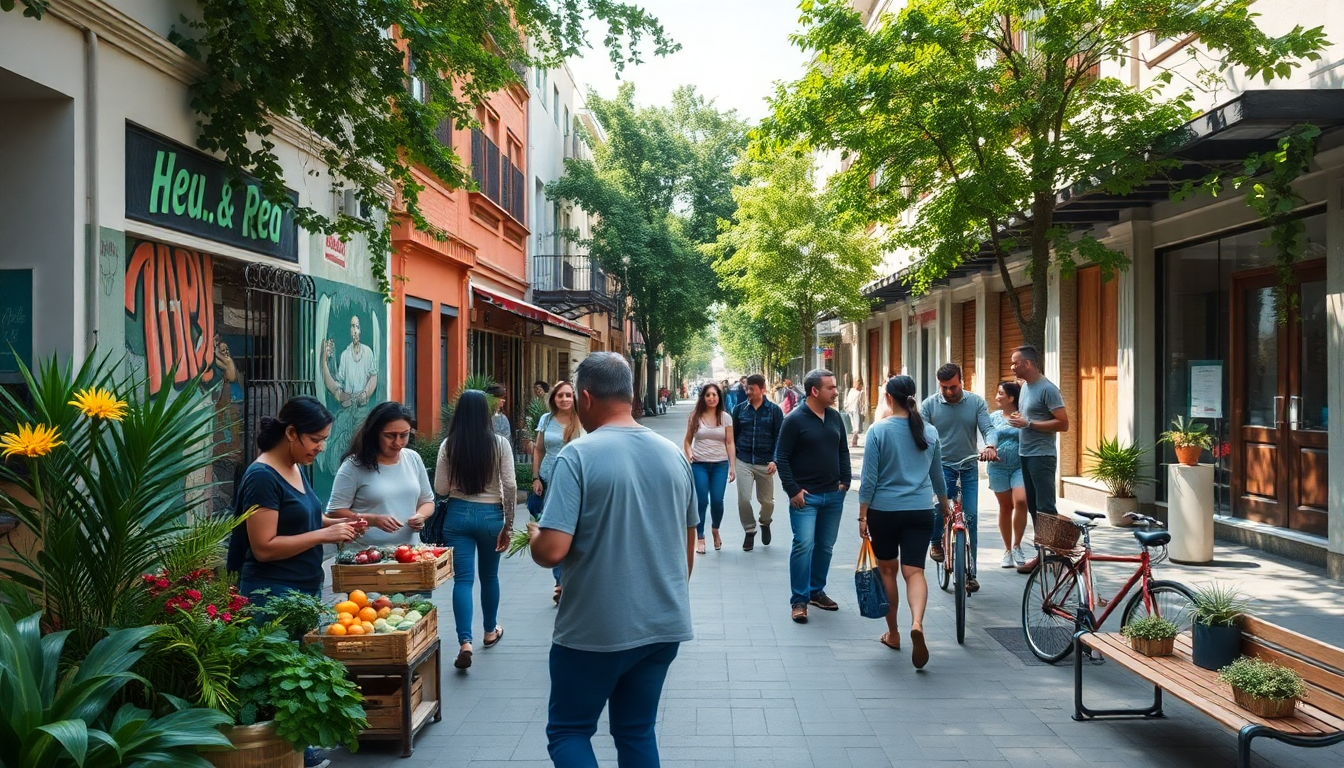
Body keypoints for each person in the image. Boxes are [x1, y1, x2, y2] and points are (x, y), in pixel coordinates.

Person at [526, 352, 697, 768]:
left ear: (585, 397)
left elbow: (552, 551)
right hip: (662, 623)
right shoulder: (673, 454)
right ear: (632, 394)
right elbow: (687, 548)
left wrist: (534, 535)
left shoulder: (578, 456)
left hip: (595, 628)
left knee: (569, 731)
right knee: (636, 730)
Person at [226, 395, 359, 768]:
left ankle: (298, 751)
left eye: (324, 439)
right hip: (271, 594)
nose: (321, 447)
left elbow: (305, 520)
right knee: (275, 679)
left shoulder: (296, 466)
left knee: (295, 673)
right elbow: (264, 546)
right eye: (316, 438)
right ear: (291, 433)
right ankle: (282, 754)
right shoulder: (261, 476)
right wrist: (324, 537)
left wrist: (346, 524)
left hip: (303, 588)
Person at [414, 390, 516, 670]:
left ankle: (465, 642)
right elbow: (509, 485)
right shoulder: (500, 445)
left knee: (463, 581)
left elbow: (441, 489)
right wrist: (508, 525)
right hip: (490, 516)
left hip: (457, 517)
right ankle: (489, 631)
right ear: (486, 413)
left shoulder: (450, 445)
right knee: (490, 576)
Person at [859, 375, 950, 670]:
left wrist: (862, 514)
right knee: (915, 571)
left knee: (888, 571)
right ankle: (918, 624)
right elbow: (938, 476)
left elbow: (869, 479)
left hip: (884, 511)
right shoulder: (930, 431)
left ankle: (895, 634)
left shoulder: (878, 431)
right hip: (921, 511)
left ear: (888, 397)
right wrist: (945, 507)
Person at [775, 368, 851, 624]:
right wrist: (792, 490)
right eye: (831, 387)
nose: (836, 391)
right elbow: (781, 457)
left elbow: (843, 450)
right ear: (814, 391)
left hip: (833, 495)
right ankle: (799, 600)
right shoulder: (794, 420)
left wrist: (846, 481)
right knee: (803, 545)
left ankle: (816, 591)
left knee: (825, 546)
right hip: (805, 499)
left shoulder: (834, 417)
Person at [920, 363, 998, 593]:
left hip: (968, 466)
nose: (948, 392)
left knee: (971, 516)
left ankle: (971, 572)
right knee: (940, 507)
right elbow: (920, 434)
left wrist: (991, 446)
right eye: (944, 387)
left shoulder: (975, 402)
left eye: (953, 387)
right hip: (941, 466)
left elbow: (988, 428)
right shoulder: (929, 405)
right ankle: (935, 540)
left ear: (962, 381)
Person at [326, 401, 434, 547]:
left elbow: (427, 501)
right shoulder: (353, 465)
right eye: (390, 436)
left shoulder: (413, 458)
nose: (398, 442)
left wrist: (420, 516)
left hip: (410, 552)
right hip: (365, 555)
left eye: (404, 435)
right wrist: (372, 520)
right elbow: (334, 512)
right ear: (374, 433)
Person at [1007, 344, 1069, 574]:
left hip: (1042, 456)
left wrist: (1030, 424)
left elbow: (1063, 423)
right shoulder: (1024, 388)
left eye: (1015, 363)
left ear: (1028, 364)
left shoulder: (1047, 389)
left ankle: (1053, 555)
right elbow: (1028, 418)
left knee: (1045, 507)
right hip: (1026, 453)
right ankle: (1043, 554)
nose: (1012, 367)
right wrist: (1019, 419)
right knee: (1033, 506)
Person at [531, 380, 585, 603]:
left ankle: (573, 578)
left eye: (568, 395)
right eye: (560, 396)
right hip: (549, 481)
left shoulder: (582, 420)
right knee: (554, 529)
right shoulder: (546, 420)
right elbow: (539, 449)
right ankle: (560, 581)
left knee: (576, 530)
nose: (564, 399)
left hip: (576, 482)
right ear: (553, 398)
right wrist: (535, 477)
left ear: (574, 398)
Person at [682, 382, 736, 554]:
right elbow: (687, 441)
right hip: (699, 464)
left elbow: (730, 442)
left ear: (719, 397)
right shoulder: (695, 417)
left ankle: (715, 529)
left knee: (717, 501)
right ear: (703, 398)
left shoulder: (726, 417)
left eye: (714, 395)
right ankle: (700, 536)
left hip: (720, 464)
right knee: (702, 501)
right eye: (708, 395)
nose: (711, 398)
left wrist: (732, 465)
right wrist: (689, 454)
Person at [732, 373, 783, 551]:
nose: (748, 392)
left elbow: (779, 437)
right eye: (746, 388)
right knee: (744, 499)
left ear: (762, 389)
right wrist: (733, 461)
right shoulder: (739, 410)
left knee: (767, 502)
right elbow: (733, 436)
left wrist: (775, 460)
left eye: (751, 389)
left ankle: (765, 522)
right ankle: (749, 530)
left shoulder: (774, 411)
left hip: (765, 462)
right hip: (743, 459)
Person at [986, 381, 1029, 568]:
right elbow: (988, 436)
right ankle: (1007, 551)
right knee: (1005, 507)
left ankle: (1018, 545)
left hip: (1019, 466)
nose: (997, 397)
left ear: (1011, 398)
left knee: (1021, 501)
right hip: (998, 468)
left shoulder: (1023, 415)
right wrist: (989, 449)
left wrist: (1024, 423)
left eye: (1001, 393)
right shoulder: (992, 417)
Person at [485, 383, 512, 448]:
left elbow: (506, 442)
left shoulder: (502, 419)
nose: (504, 400)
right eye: (501, 397)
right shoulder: (479, 417)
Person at [844, 377, 867, 448]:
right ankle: (854, 442)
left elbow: (862, 403)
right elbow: (848, 400)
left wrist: (863, 411)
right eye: (854, 383)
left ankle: (854, 441)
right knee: (854, 426)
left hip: (857, 410)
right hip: (851, 410)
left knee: (856, 428)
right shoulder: (852, 391)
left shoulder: (861, 392)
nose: (855, 384)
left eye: (857, 383)